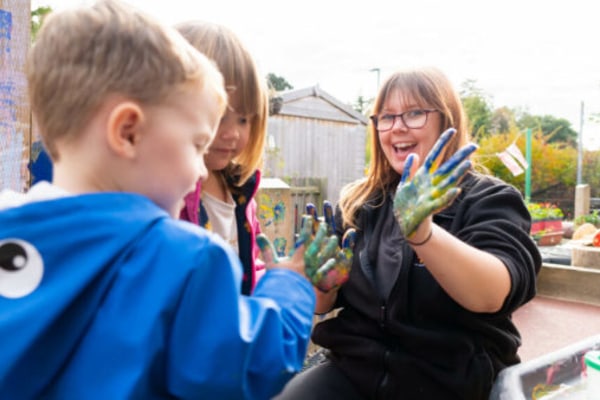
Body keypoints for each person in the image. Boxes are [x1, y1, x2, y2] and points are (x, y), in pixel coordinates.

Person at [0, 1, 333, 398]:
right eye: (196, 144)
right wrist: (291, 285)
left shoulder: (12, 232)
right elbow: (250, 362)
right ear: (127, 132)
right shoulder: (183, 257)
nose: (199, 170)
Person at [274, 66, 542, 400]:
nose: (397, 126)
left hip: (450, 381)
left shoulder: (488, 199)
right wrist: (321, 285)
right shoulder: (360, 203)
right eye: (386, 117)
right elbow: (323, 303)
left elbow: (492, 294)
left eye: (414, 113)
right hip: (355, 369)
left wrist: (423, 234)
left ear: (446, 120)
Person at [175, 21, 267, 295]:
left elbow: (249, 266)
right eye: (219, 115)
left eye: (243, 119)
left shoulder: (239, 190)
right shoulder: (168, 194)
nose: (232, 134)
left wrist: (276, 275)